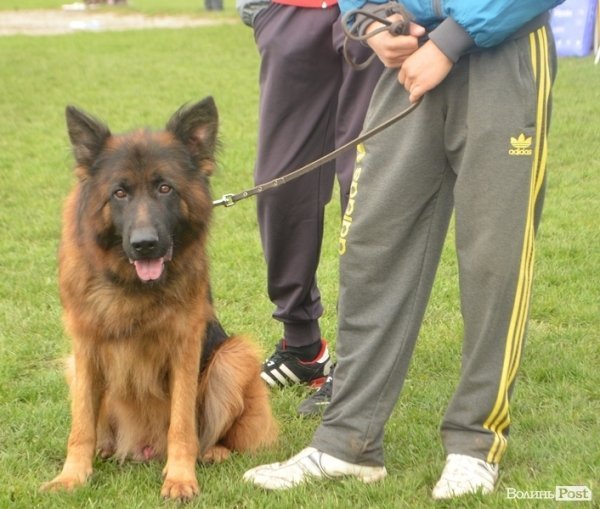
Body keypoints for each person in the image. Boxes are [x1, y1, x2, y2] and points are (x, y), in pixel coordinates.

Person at [243, 0, 563, 499]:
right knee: (371, 251)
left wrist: (452, 40)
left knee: (493, 261)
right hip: (405, 59)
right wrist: (366, 18)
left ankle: (475, 443)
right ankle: (347, 442)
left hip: (504, 49)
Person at [237, 0, 384, 390]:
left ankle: (359, 361)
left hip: (376, 11)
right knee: (280, 184)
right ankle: (302, 346)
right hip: (291, 12)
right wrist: (262, 12)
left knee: (365, 183)